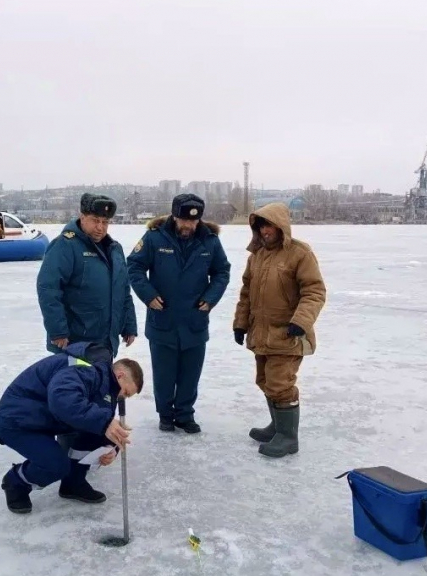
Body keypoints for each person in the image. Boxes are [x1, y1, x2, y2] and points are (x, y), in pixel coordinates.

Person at [0, 341, 144, 514]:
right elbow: (62, 399)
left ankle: (73, 483)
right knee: (56, 465)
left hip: (46, 421)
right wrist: (104, 423)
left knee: (98, 430)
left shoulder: (106, 389)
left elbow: (102, 421)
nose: (122, 398)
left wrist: (111, 448)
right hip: (18, 421)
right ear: (120, 375)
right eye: (125, 392)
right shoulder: (83, 368)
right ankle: (15, 482)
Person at [127, 193, 230, 433]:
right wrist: (148, 295)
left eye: (194, 222)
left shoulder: (210, 241)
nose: (189, 226)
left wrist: (210, 298)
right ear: (174, 216)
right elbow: (134, 266)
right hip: (163, 318)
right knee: (164, 375)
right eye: (184, 221)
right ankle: (165, 415)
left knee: (190, 374)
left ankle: (185, 415)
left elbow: (222, 272)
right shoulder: (154, 238)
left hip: (195, 319)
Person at [232, 202, 326, 457]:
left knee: (280, 384)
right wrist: (240, 323)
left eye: (269, 224)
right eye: (260, 225)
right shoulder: (257, 256)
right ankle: (277, 425)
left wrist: (301, 321)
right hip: (261, 333)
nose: (265, 231)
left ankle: (288, 437)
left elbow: (314, 291)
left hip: (288, 334)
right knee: (265, 381)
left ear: (281, 225)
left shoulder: (299, 253)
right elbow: (246, 294)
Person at [36, 193, 138, 356]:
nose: (100, 227)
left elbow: (123, 291)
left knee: (100, 381)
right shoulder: (65, 246)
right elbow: (49, 289)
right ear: (82, 218)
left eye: (105, 222)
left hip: (106, 342)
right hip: (75, 342)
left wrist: (129, 325)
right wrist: (58, 331)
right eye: (95, 220)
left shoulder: (114, 249)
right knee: (76, 381)